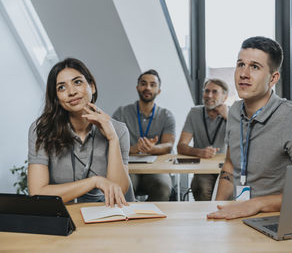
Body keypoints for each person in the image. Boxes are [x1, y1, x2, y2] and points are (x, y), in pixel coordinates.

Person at [207, 37, 292, 220]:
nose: (244, 74)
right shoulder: (235, 111)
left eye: (254, 67)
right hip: (237, 216)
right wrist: (215, 208)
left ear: (273, 78)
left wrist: (257, 203)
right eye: (240, 64)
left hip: (277, 219)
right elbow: (230, 165)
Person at [28, 58, 131, 207]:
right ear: (56, 98)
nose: (72, 92)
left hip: (108, 213)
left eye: (77, 82)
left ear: (92, 86)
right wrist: (94, 182)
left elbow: (118, 189)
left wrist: (112, 139)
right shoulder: (42, 130)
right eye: (61, 88)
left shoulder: (119, 130)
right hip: (65, 215)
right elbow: (38, 193)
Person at [113, 69, 175, 201]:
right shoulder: (121, 112)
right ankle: (130, 219)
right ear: (137, 87)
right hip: (128, 168)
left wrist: (152, 149)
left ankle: (149, 218)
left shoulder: (166, 115)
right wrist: (134, 149)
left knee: (163, 187)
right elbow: (111, 144)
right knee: (122, 189)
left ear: (159, 90)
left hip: (155, 169)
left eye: (153, 85)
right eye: (143, 83)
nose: (147, 87)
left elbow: (168, 145)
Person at [177, 78, 229, 201]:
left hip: (227, 167)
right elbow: (181, 146)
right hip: (204, 169)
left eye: (215, 91)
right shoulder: (195, 113)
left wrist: (228, 117)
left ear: (225, 97)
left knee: (230, 191)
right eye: (206, 91)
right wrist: (199, 152)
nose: (209, 95)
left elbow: (244, 141)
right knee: (200, 187)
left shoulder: (233, 114)